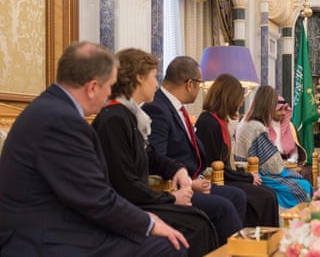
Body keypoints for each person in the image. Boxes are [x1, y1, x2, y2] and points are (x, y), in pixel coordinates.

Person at [0, 41, 188, 256]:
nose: (110, 94)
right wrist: (148, 222)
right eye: (109, 86)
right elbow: (96, 198)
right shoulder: (62, 121)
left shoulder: (50, 108)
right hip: (42, 238)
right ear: (92, 87)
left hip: (56, 222)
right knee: (170, 245)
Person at [91, 48, 218, 256]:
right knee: (196, 224)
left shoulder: (128, 116)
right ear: (139, 77)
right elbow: (125, 185)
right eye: (153, 77)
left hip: (137, 201)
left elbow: (150, 155)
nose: (157, 84)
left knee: (198, 220)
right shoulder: (113, 119)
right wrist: (172, 199)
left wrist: (177, 169)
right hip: (125, 207)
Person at [141, 56, 246, 246]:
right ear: (190, 84)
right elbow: (156, 159)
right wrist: (189, 182)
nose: (201, 89)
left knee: (238, 196)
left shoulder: (175, 107)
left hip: (193, 180)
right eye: (200, 84)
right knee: (224, 207)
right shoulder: (157, 108)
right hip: (174, 187)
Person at [195, 73, 279, 227]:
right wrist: (247, 177)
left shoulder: (218, 121)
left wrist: (246, 176)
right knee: (264, 197)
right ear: (229, 98)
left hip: (225, 176)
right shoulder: (208, 123)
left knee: (269, 194)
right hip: (216, 179)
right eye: (239, 99)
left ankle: (267, 241)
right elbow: (214, 166)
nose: (240, 104)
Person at [235, 85, 312, 209]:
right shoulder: (257, 126)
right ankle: (292, 220)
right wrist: (284, 168)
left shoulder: (244, 122)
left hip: (247, 170)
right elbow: (274, 166)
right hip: (258, 174)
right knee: (303, 186)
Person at [269, 95, 313, 183]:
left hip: (289, 162)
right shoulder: (263, 127)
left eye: (285, 109)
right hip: (271, 165)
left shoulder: (290, 126)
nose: (283, 113)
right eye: (279, 110)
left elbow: (295, 150)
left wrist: (291, 161)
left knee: (306, 172)